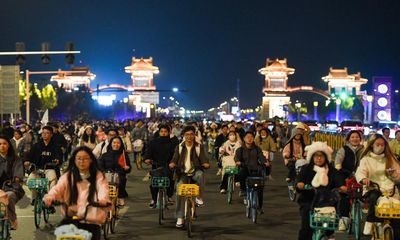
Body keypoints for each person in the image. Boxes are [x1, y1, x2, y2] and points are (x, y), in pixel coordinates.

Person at [43, 146, 111, 240]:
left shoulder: (98, 176)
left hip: (91, 219)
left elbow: (103, 189)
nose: (81, 161)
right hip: (71, 216)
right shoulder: (68, 176)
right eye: (79, 158)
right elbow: (58, 188)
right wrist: (50, 196)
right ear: (74, 160)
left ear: (91, 160)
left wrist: (103, 200)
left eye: (85, 158)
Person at [296, 142, 346, 240]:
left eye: (321, 156)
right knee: (306, 228)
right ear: (312, 157)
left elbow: (338, 179)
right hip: (308, 201)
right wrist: (300, 184)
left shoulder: (331, 170)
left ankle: (329, 235)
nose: (319, 158)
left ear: (326, 157)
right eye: (316, 156)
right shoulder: (306, 169)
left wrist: (341, 186)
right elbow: (299, 181)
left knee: (330, 224)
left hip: (327, 202)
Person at [355, 133, 400, 236]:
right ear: (372, 145)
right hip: (373, 188)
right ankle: (370, 221)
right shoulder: (366, 160)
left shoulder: (391, 159)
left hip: (390, 190)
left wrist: (393, 174)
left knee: (397, 214)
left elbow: (398, 175)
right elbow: (360, 172)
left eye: (382, 145)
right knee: (374, 196)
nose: (380, 147)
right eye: (378, 144)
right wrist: (364, 179)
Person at [169, 126, 210, 228]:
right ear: (183, 136)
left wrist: (205, 163)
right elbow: (174, 158)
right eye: (187, 134)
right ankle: (180, 217)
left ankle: (199, 197)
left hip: (195, 171)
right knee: (179, 191)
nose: (189, 136)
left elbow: (203, 158)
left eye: (191, 134)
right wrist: (172, 163)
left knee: (200, 175)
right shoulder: (179, 147)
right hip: (182, 173)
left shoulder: (198, 147)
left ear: (194, 135)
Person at [334, 130, 364, 231]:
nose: (355, 139)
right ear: (348, 139)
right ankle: (344, 221)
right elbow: (338, 163)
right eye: (353, 137)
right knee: (345, 197)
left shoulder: (364, 150)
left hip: (361, 177)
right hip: (345, 176)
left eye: (357, 137)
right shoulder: (344, 149)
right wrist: (342, 170)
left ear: (360, 139)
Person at [25, 126, 63, 205]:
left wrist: (57, 160)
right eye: (43, 133)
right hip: (37, 169)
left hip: (50, 168)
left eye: (47, 133)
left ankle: (50, 200)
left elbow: (59, 156)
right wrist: (27, 161)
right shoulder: (36, 145)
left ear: (51, 134)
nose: (44, 135)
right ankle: (35, 198)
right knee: (30, 181)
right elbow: (29, 156)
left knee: (53, 182)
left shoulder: (55, 146)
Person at [144, 124, 177, 208]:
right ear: (159, 132)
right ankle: (154, 199)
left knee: (170, 182)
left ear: (169, 132)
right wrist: (147, 159)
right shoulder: (153, 142)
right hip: (156, 166)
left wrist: (174, 162)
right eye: (161, 131)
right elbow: (148, 153)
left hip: (169, 166)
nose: (163, 133)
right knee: (153, 184)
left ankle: (169, 196)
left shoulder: (173, 143)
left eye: (165, 132)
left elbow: (176, 154)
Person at [235, 131, 268, 210]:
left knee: (260, 188)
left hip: (255, 170)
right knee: (241, 172)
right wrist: (238, 162)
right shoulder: (240, 150)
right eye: (248, 137)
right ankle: (243, 190)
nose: (249, 139)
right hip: (245, 169)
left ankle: (259, 206)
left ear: (253, 138)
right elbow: (236, 158)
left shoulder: (257, 149)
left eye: (251, 137)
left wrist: (265, 162)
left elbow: (261, 157)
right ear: (244, 139)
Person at [98, 136, 131, 206]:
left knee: (122, 180)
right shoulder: (104, 155)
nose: (116, 144)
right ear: (111, 144)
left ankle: (120, 197)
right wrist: (103, 171)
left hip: (119, 177)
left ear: (121, 144)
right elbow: (99, 166)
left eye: (118, 143)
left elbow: (128, 168)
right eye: (114, 142)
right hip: (107, 177)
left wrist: (127, 168)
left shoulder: (124, 155)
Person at [0, 135, 24, 230]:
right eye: (0, 144)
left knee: (8, 197)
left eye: (4, 143)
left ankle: (12, 220)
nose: (2, 146)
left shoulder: (16, 159)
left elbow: (18, 173)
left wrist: (17, 178)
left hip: (11, 187)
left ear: (9, 145)